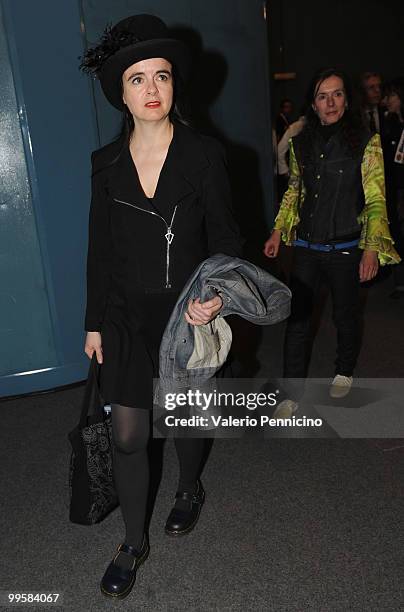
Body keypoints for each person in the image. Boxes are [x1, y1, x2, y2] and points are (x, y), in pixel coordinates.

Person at [80, 14, 242, 599]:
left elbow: (226, 238)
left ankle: (189, 487)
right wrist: (93, 321)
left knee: (184, 422)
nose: (151, 88)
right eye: (137, 79)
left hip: (186, 313)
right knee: (128, 434)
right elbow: (99, 249)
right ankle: (132, 541)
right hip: (124, 316)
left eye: (162, 76)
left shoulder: (203, 155)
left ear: (175, 86)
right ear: (121, 94)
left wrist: (218, 295)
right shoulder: (105, 165)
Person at [264, 67, 400, 415]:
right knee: (297, 322)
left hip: (346, 248)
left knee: (346, 317)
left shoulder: (367, 143)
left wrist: (370, 249)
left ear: (346, 99)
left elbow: (376, 199)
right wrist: (279, 230)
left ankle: (343, 370)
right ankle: (292, 390)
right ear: (313, 103)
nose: (331, 102)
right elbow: (294, 190)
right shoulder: (299, 143)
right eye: (323, 96)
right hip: (308, 247)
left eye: (337, 94)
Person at [382, 78, 404, 298]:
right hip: (395, 189)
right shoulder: (389, 124)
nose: (386, 100)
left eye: (391, 96)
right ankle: (399, 282)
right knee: (396, 232)